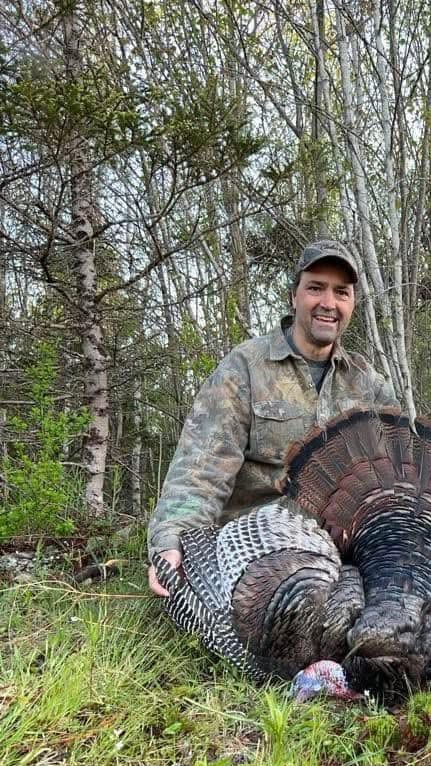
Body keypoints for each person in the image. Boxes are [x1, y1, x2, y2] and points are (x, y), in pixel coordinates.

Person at [148, 239, 397, 596]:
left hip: (341, 557)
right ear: (294, 295)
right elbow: (201, 468)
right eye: (316, 288)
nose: (328, 303)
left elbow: (391, 483)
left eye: (341, 292)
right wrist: (173, 541)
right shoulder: (246, 367)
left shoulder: (368, 385)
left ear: (353, 303)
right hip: (255, 552)